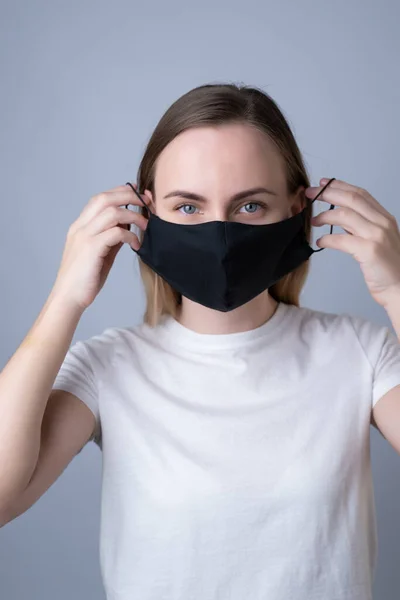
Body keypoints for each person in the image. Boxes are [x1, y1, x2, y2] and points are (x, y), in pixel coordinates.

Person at [1, 82, 400, 600]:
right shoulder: (109, 366)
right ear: (142, 215)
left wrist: (396, 289)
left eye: (251, 206)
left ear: (297, 211)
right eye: (188, 207)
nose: (220, 234)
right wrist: (65, 300)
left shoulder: (360, 353)